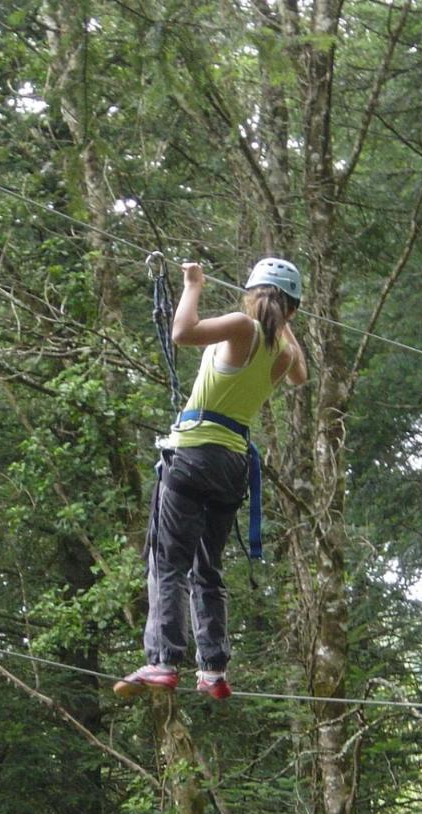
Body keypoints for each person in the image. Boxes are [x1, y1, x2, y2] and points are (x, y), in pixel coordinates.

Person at [114, 257, 308, 701]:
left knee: (168, 562)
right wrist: (286, 325)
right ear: (291, 309)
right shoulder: (283, 352)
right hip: (232, 465)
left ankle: (163, 661)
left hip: (193, 455)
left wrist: (193, 285)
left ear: (252, 295)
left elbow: (182, 333)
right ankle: (213, 669)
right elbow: (301, 377)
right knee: (208, 568)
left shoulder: (242, 326)